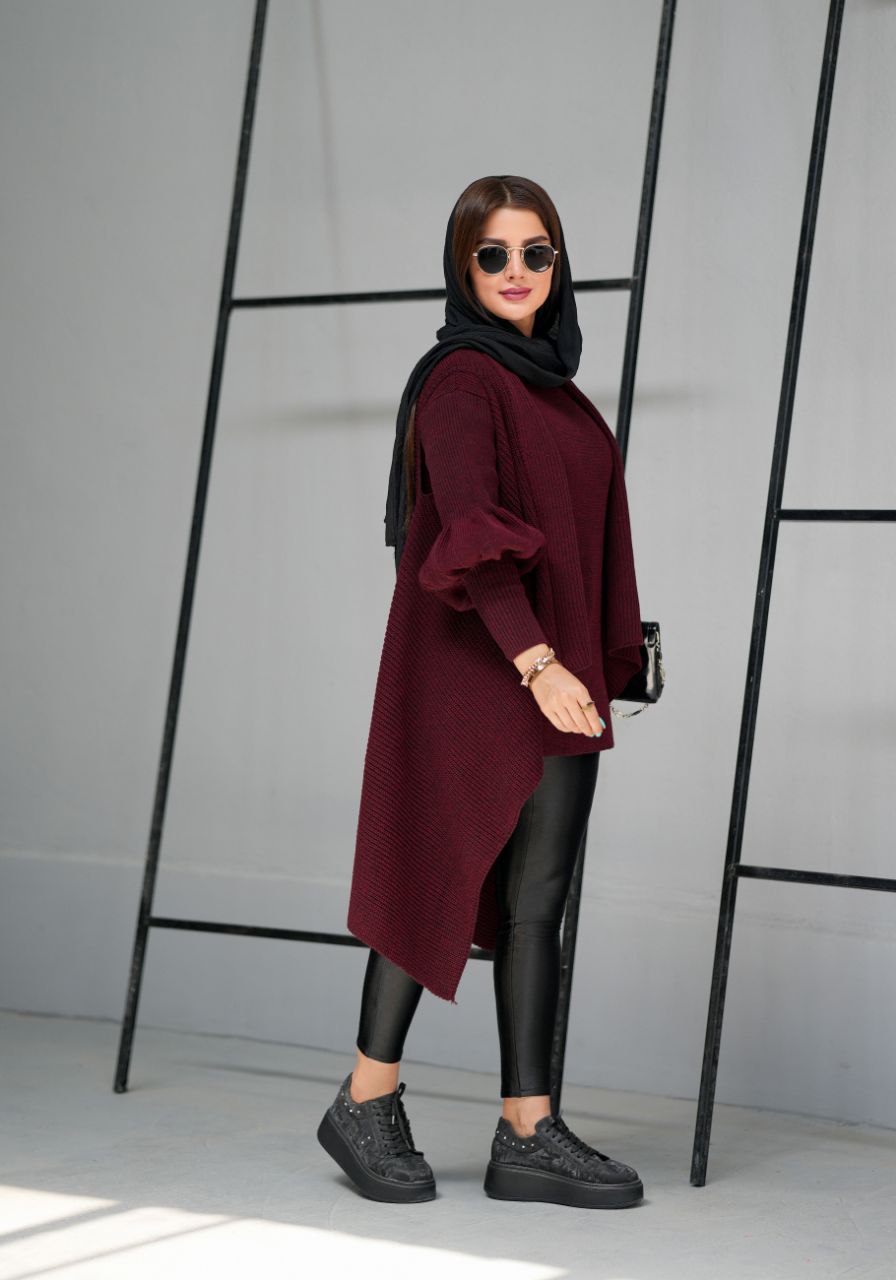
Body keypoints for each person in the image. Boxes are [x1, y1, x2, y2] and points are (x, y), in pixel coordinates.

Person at [316, 176, 646, 1209]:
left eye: (535, 252)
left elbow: (584, 538)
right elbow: (470, 536)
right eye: (492, 254)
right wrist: (539, 663)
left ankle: (528, 1128)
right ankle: (364, 1098)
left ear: (558, 263)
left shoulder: (555, 388)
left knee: (537, 899)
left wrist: (595, 654)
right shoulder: (463, 379)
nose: (515, 272)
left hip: (555, 671)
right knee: (439, 870)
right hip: (481, 670)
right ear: (464, 267)